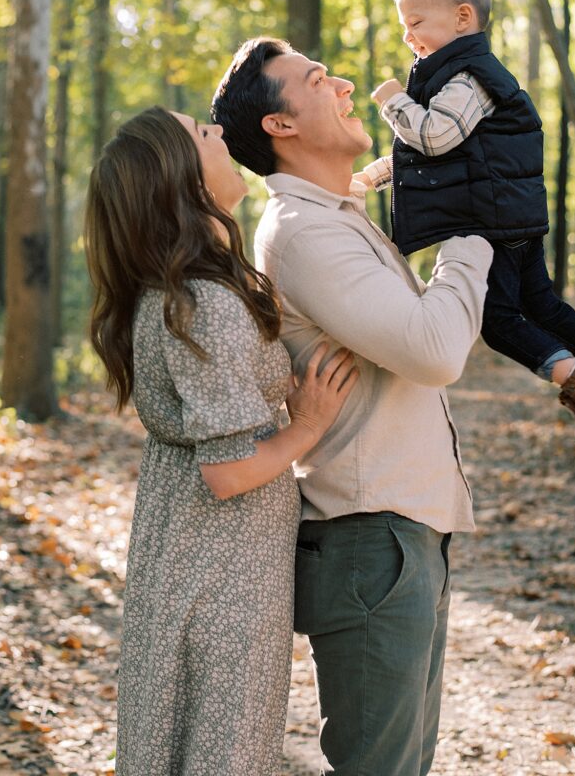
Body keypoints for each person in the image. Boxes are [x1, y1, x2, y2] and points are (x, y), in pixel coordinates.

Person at [211, 38, 494, 776]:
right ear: (281, 125)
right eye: (315, 79)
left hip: (402, 538)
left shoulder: (336, 218)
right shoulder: (305, 234)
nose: (340, 83)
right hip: (373, 543)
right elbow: (434, 352)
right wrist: (472, 236)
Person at [83, 105, 357, 776]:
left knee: (191, 745)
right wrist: (309, 425)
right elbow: (228, 471)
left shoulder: (182, 292)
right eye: (206, 135)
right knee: (223, 749)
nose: (224, 138)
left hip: (192, 559)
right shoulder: (203, 301)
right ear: (182, 178)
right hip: (220, 575)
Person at [358, 0, 575, 469]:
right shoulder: (462, 73)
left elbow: (435, 137)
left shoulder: (469, 76)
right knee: (540, 304)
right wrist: (375, 176)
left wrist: (391, 99)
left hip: (494, 220)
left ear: (462, 18)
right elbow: (443, 155)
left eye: (415, 22)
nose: (408, 37)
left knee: (496, 319)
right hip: (508, 213)